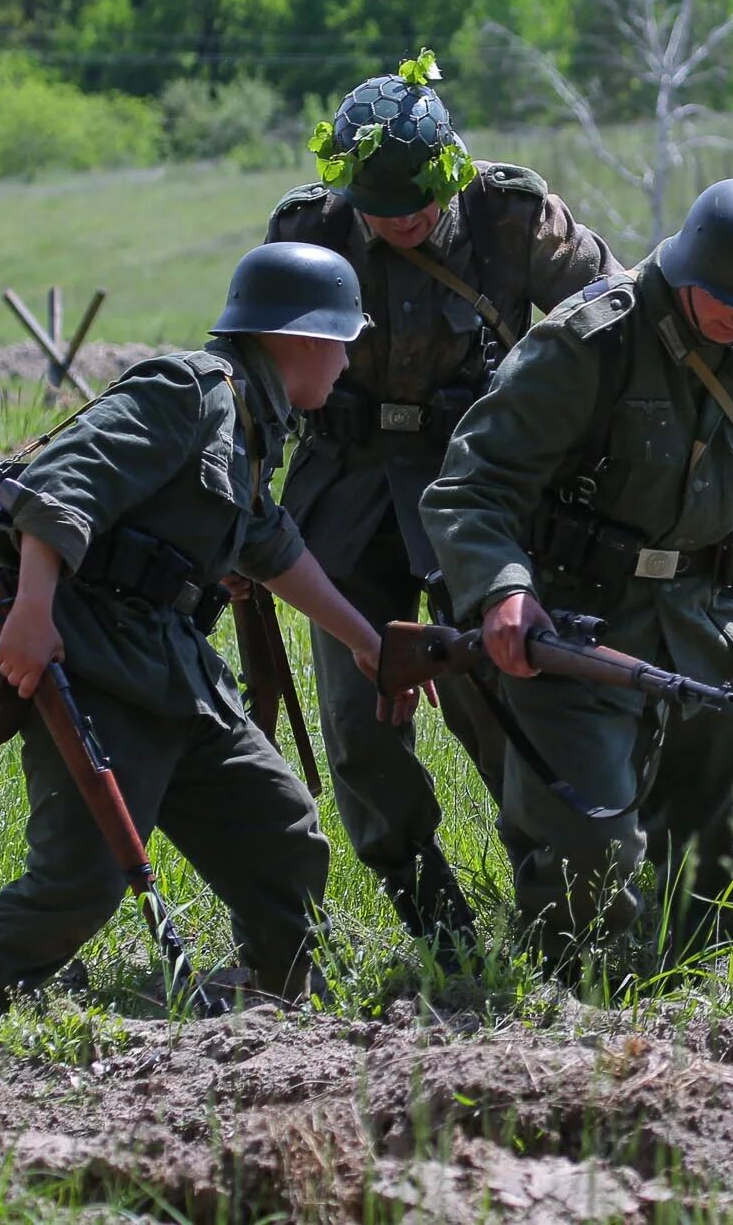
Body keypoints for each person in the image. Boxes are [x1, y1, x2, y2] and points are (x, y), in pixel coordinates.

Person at [0, 242, 404, 1042]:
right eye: (342, 340)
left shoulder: (250, 422)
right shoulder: (188, 390)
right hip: (93, 655)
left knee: (281, 832)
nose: (348, 360)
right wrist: (32, 615)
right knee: (80, 884)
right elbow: (60, 484)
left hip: (170, 664)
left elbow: (269, 543)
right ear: (302, 337)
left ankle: (270, 1014)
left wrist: (365, 639)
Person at [265, 54, 618, 949]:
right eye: (384, 209)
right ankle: (433, 919)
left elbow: (615, 319)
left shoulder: (510, 219)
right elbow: (257, 370)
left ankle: (555, 906)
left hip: (478, 484)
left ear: (452, 171)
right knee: (359, 719)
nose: (406, 220)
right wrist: (238, 518)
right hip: (347, 490)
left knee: (505, 690)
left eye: (422, 202)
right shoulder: (311, 231)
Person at [421, 177, 733, 951]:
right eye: (731, 302)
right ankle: (571, 1012)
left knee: (732, 872)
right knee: (584, 867)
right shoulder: (591, 341)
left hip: (710, 620)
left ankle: (703, 1017)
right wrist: (503, 591)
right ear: (690, 269)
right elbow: (470, 485)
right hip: (580, 621)